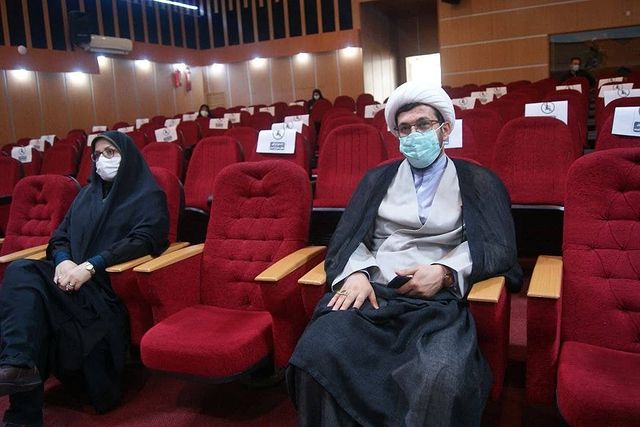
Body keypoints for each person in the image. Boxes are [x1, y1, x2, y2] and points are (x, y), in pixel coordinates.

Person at [287, 81, 522, 427]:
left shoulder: (479, 181)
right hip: (375, 293)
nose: (413, 134)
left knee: (440, 377)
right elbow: (348, 238)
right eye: (405, 128)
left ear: (445, 129)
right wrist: (357, 272)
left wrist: (445, 272)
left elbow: (498, 247)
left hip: (438, 303)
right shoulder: (376, 180)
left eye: (423, 125)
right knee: (318, 351)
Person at [0, 131, 169, 426]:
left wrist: (89, 267)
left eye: (111, 153)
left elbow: (145, 240)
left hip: (101, 294)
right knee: (23, 282)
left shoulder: (148, 195)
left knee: (28, 295)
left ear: (127, 157)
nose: (102, 160)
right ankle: (19, 366)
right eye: (97, 154)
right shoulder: (85, 195)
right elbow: (59, 237)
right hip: (68, 284)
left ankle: (21, 410)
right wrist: (64, 262)